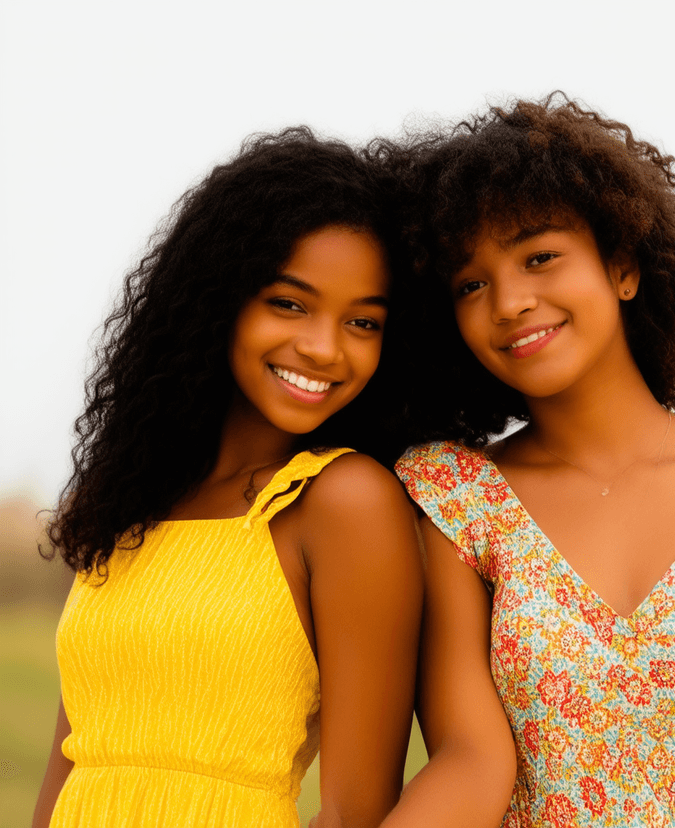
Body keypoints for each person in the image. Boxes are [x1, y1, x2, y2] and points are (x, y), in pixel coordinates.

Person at [392, 95, 675, 827]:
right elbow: (468, 762)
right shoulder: (458, 501)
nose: (508, 301)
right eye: (471, 284)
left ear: (623, 267)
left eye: (540, 257)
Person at [32, 128, 423, 828]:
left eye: (362, 322)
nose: (324, 348)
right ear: (218, 298)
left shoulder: (343, 502)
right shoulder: (129, 501)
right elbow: (73, 761)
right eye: (289, 303)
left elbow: (357, 812)